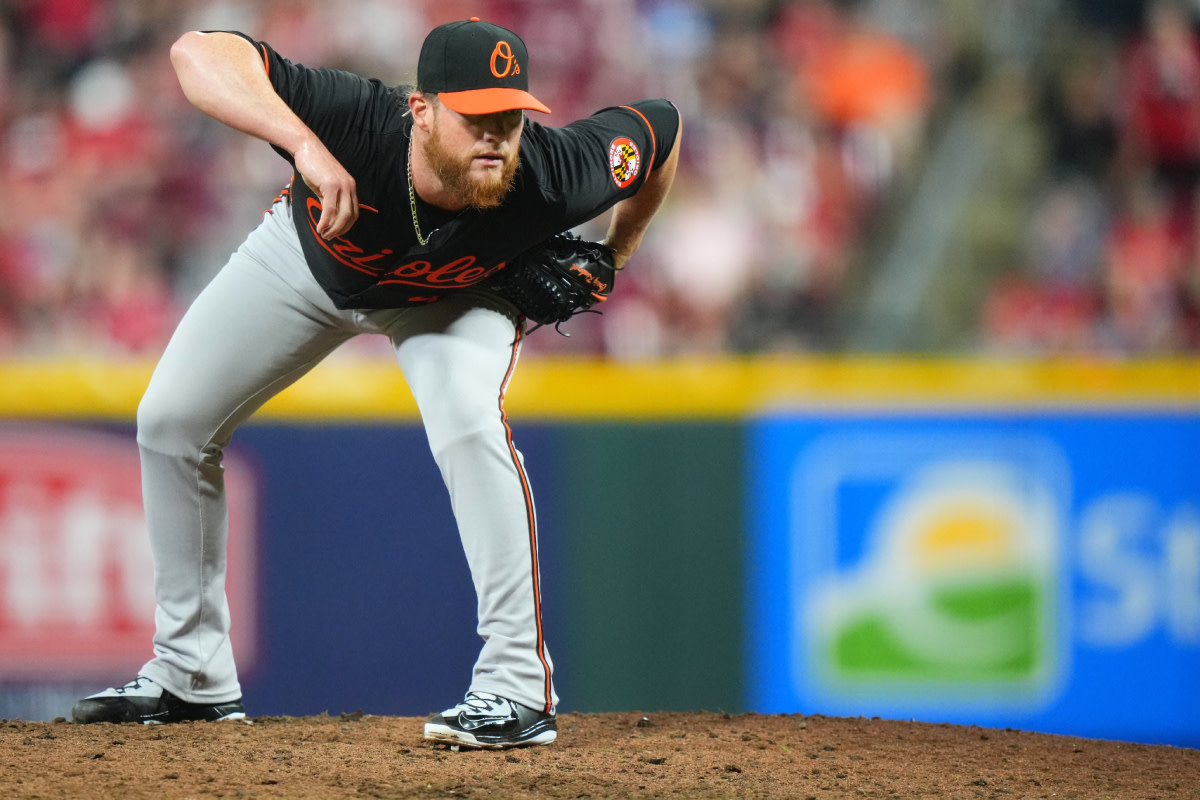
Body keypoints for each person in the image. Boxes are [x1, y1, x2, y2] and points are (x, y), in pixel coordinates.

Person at [70, 18, 680, 750]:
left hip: (453, 298)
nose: (495, 135)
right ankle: (190, 676)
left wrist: (616, 251)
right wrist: (303, 145)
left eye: (509, 117)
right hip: (311, 263)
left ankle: (518, 686)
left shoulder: (554, 171)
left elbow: (661, 131)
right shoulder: (356, 119)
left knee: (468, 422)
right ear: (421, 110)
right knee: (171, 422)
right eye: (475, 116)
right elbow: (196, 51)